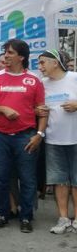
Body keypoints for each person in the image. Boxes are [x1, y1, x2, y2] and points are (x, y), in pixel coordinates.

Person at [0, 39, 47, 233]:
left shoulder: (34, 80)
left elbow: (42, 110)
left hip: (25, 136)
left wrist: (39, 135)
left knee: (27, 179)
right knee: (0, 178)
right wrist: (2, 109)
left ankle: (26, 217)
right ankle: (2, 214)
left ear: (21, 57)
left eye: (10, 53)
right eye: (5, 52)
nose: (6, 56)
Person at [37, 50, 77, 234]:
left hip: (75, 138)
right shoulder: (43, 84)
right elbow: (38, 108)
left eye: (43, 62)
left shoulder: (74, 78)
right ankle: (63, 218)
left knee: (75, 181)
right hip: (53, 139)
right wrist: (38, 111)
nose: (40, 67)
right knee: (59, 180)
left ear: (55, 63)